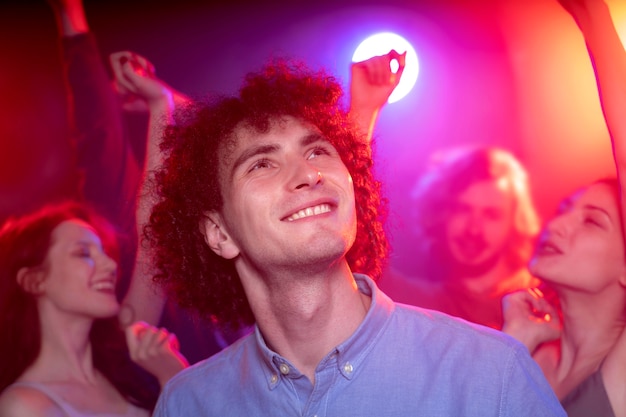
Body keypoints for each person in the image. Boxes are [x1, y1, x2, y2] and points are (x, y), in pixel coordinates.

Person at [146, 59, 564, 416]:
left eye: (317, 151)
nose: (310, 174)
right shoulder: (189, 403)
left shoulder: (490, 372)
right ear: (219, 233)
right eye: (262, 165)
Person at [503, 0, 626, 415]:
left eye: (592, 221)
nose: (558, 224)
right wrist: (513, 342)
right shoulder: (525, 353)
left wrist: (595, 21)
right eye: (565, 208)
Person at [0, 201, 188, 416]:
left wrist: (173, 377)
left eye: (104, 252)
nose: (111, 265)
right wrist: (176, 383)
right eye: (83, 253)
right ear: (35, 281)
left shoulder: (126, 376)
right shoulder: (24, 406)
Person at [379, 146, 542, 329]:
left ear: (515, 223)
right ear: (440, 213)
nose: (473, 229)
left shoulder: (543, 298)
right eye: (463, 209)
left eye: (491, 215)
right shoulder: (422, 303)